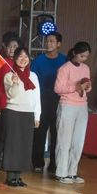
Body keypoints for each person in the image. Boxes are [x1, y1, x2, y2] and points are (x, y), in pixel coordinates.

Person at [54, 41, 92, 184]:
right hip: (67, 105)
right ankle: (61, 173)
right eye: (82, 56)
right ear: (75, 53)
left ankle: (72, 172)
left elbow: (88, 88)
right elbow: (58, 88)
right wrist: (75, 87)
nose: (84, 59)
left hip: (82, 106)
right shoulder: (65, 68)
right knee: (64, 141)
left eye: (86, 56)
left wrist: (87, 87)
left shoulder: (86, 68)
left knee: (78, 141)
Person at [3, 47, 41, 187]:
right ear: (15, 58)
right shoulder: (9, 75)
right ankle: (10, 176)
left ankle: (18, 176)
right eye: (20, 56)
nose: (23, 59)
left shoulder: (34, 76)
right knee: (12, 144)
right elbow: (10, 95)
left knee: (25, 145)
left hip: (28, 113)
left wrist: (37, 115)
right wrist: (14, 82)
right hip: (13, 111)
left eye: (26, 57)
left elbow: (37, 97)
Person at [31, 32, 67, 173]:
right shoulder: (38, 60)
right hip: (42, 101)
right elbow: (32, 80)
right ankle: (37, 163)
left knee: (57, 133)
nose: (48, 44)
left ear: (59, 44)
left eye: (52, 41)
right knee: (39, 133)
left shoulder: (65, 60)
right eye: (47, 41)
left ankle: (54, 164)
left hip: (60, 101)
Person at [0, 32, 21, 174]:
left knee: (13, 136)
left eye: (15, 46)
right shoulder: (0, 61)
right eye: (10, 46)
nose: (13, 49)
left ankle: (8, 162)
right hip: (3, 103)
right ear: (5, 48)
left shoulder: (22, 62)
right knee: (1, 135)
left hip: (18, 105)